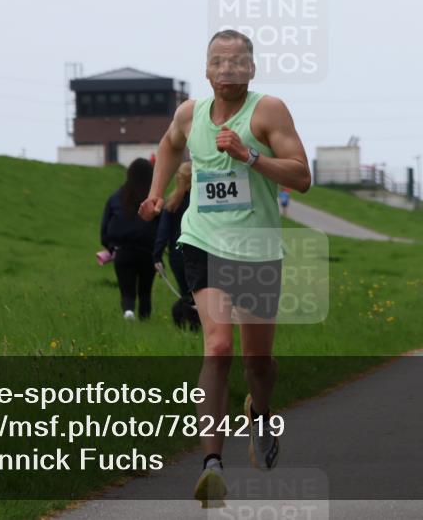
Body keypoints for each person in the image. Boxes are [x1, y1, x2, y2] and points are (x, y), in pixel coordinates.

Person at [138, 29, 311, 507]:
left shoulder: (268, 110)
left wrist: (250, 156)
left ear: (252, 69)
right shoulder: (190, 114)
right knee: (217, 346)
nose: (228, 69)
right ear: (207, 69)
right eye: (219, 61)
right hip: (202, 242)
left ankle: (260, 411)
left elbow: (302, 176)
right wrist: (157, 191)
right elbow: (169, 144)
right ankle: (212, 463)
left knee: (258, 362)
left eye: (238, 62)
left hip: (256, 249)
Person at [100, 158, 159, 320]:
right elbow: (161, 228)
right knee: (145, 291)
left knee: (127, 289)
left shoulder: (115, 198)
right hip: (148, 253)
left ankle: (128, 311)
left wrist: (110, 247)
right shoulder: (154, 199)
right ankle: (145, 320)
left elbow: (105, 229)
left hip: (123, 251)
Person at [153, 161, 199, 331]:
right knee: (198, 293)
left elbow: (162, 233)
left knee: (186, 292)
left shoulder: (171, 203)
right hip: (199, 253)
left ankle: (187, 324)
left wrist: (157, 257)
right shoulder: (201, 202)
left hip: (176, 255)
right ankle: (195, 326)